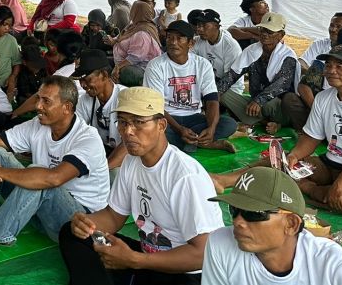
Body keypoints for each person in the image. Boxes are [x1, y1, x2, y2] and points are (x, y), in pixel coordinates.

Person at [60, 86, 223, 285]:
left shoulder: (184, 176)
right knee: (71, 232)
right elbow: (113, 216)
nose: (128, 131)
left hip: (188, 273)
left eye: (138, 122)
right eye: (123, 122)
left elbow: (203, 253)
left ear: (161, 125)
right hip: (149, 257)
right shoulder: (131, 161)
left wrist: (135, 260)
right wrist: (86, 223)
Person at [0, 76, 109, 276]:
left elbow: (54, 179)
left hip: (77, 223)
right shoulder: (37, 125)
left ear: (67, 107)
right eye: (38, 99)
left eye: (46, 101)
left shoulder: (87, 138)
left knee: (39, 178)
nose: (38, 106)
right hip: (37, 210)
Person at [212, 43, 342, 214]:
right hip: (328, 163)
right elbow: (312, 137)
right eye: (329, 65)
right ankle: (222, 180)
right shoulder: (324, 98)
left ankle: (307, 188)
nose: (331, 70)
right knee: (278, 162)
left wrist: (341, 183)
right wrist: (293, 156)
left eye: (340, 66)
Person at [203, 166, 342, 285]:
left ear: (291, 224)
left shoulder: (333, 266)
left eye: (254, 213)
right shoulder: (220, 243)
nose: (237, 222)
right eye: (234, 210)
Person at [143, 21, 237, 152]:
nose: (173, 42)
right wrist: (179, 129)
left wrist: (211, 128)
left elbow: (212, 100)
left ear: (191, 44)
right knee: (152, 129)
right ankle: (200, 143)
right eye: (170, 37)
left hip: (194, 118)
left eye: (179, 38)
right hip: (166, 118)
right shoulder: (155, 66)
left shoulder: (202, 64)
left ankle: (188, 142)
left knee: (229, 124)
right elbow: (156, 106)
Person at [217, 12, 296, 129]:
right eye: (262, 30)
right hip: (254, 103)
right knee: (221, 94)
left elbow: (280, 86)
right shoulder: (252, 50)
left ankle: (276, 123)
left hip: (277, 107)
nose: (264, 34)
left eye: (270, 32)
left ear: (281, 35)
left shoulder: (288, 56)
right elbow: (232, 75)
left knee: (270, 103)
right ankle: (262, 122)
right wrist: (215, 94)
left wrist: (259, 101)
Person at [284, 12, 342, 130]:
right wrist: (317, 73)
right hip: (320, 96)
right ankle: (314, 128)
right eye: (328, 65)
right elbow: (303, 83)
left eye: (340, 65)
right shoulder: (323, 95)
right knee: (291, 99)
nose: (333, 29)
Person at [73, 49, 127, 174]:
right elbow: (75, 131)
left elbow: (130, 143)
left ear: (104, 75)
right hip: (101, 151)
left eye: (87, 79)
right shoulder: (86, 100)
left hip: (124, 155)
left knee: (114, 174)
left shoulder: (125, 98)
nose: (83, 85)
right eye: (80, 80)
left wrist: (101, 171)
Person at [191, 9, 244, 101]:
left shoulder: (230, 46)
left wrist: (211, 96)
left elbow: (230, 78)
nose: (199, 29)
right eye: (198, 25)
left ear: (216, 26)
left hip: (230, 89)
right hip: (209, 83)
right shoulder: (198, 41)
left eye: (204, 25)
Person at [108, 1, 162, 87]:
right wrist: (113, 40)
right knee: (102, 61)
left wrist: (117, 67)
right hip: (125, 62)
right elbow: (120, 36)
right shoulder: (134, 25)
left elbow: (135, 57)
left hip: (141, 69)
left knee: (125, 72)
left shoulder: (142, 33)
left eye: (133, 10)